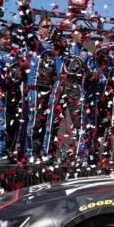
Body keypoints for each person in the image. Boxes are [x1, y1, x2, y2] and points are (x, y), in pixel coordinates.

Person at [42, 23, 97, 163]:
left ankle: (80, 157)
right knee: (52, 120)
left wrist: (93, 74)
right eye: (80, 31)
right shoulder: (65, 45)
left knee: (80, 123)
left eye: (85, 32)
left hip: (77, 86)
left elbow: (93, 73)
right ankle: (46, 155)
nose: (83, 35)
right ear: (73, 32)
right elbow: (53, 41)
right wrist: (56, 31)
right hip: (61, 84)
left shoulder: (87, 52)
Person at [23, 16, 57, 163]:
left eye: (50, 26)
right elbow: (27, 33)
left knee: (46, 121)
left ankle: (44, 152)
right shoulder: (36, 43)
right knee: (34, 119)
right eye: (45, 26)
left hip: (49, 87)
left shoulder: (54, 45)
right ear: (38, 28)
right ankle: (31, 153)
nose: (48, 29)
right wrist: (24, 7)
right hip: (35, 86)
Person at [0, 27, 24, 163]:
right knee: (0, 123)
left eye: (10, 38)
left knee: (14, 124)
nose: (8, 41)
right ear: (0, 38)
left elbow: (22, 71)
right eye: (5, 38)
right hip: (2, 93)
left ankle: (9, 152)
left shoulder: (15, 54)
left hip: (15, 93)